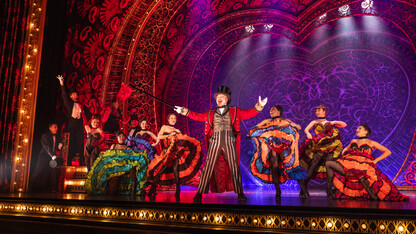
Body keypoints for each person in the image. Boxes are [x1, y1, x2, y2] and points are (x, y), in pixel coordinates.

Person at [175, 86, 268, 203]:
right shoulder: (210, 113)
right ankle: (199, 193)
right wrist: (184, 111)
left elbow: (250, 113)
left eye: (221, 97)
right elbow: (197, 116)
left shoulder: (235, 111)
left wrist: (259, 106)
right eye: (217, 97)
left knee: (234, 167)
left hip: (229, 139)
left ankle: (240, 193)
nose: (219, 98)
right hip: (215, 140)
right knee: (208, 167)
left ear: (227, 99)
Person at [325, 124, 409, 201]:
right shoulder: (353, 141)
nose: (357, 129)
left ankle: (373, 196)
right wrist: (344, 153)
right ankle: (330, 189)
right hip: (348, 164)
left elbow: (388, 151)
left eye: (360, 128)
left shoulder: (371, 142)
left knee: (367, 183)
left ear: (366, 131)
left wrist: (376, 160)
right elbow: (346, 149)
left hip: (363, 165)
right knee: (328, 163)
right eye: (357, 128)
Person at [249, 105, 309, 200]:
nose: (271, 111)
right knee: (274, 166)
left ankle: (304, 190)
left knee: (290, 167)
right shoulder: (267, 121)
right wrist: (253, 133)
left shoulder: (285, 121)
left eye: (274, 109)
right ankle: (278, 191)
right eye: (271, 109)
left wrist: (295, 126)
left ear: (279, 112)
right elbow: (256, 127)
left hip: (285, 148)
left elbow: (298, 127)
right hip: (273, 147)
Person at [147, 113, 203, 200]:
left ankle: (178, 190)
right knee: (161, 169)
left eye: (174, 118)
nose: (173, 119)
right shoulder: (164, 127)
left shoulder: (177, 130)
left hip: (176, 152)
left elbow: (182, 141)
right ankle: (153, 188)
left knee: (175, 170)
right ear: (168, 119)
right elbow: (159, 136)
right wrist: (170, 135)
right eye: (171, 118)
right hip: (167, 152)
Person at [299, 104, 346, 197]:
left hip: (330, 147)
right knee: (312, 168)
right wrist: (308, 133)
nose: (317, 112)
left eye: (318, 110)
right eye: (316, 111)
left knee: (329, 168)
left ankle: (330, 190)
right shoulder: (314, 122)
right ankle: (303, 188)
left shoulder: (329, 122)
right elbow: (306, 129)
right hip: (319, 147)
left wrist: (334, 121)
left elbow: (344, 124)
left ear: (324, 111)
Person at [85, 131, 149, 196]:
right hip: (113, 167)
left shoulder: (128, 148)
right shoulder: (113, 146)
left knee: (132, 167)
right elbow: (109, 156)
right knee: (111, 184)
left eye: (123, 136)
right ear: (117, 137)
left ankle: (134, 186)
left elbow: (133, 158)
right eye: (120, 136)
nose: (122, 138)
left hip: (123, 167)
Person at [57, 75, 89, 166]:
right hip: (70, 128)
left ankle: (82, 163)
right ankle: (69, 164)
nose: (76, 95)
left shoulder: (80, 105)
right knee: (71, 146)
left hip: (79, 128)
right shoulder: (69, 104)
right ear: (71, 96)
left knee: (80, 145)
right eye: (74, 94)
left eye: (77, 94)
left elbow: (84, 115)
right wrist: (62, 83)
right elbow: (64, 96)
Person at [30, 122, 63, 193]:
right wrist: (53, 155)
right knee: (38, 171)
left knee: (54, 172)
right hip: (44, 157)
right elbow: (47, 147)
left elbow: (56, 148)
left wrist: (59, 147)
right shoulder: (45, 136)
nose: (56, 129)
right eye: (55, 127)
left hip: (52, 157)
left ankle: (54, 190)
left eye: (57, 127)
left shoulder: (58, 137)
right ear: (50, 128)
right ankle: (30, 187)